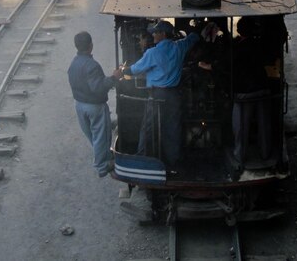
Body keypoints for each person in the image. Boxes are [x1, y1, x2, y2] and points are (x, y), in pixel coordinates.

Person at [115, 20, 200, 171]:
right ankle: (173, 162)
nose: (153, 34)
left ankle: (142, 159)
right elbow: (193, 38)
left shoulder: (152, 53)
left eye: (155, 32)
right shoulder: (179, 47)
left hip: (156, 96)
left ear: (163, 34)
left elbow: (136, 70)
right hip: (173, 96)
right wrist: (195, 27)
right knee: (172, 129)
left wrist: (122, 71)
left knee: (148, 128)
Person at [68, 31, 118, 178]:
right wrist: (114, 78)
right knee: (100, 136)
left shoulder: (74, 63)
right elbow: (98, 87)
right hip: (94, 107)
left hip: (79, 105)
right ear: (91, 46)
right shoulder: (92, 65)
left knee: (93, 136)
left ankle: (106, 156)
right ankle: (102, 166)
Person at [231, 17, 272, 170]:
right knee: (264, 124)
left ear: (239, 31)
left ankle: (240, 156)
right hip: (263, 88)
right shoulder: (260, 44)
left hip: (244, 93)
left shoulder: (237, 48)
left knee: (241, 126)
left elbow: (227, 65)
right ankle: (266, 153)